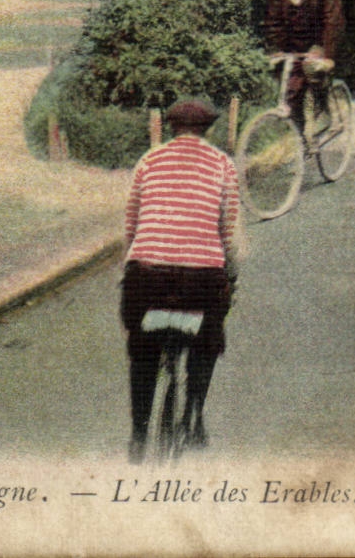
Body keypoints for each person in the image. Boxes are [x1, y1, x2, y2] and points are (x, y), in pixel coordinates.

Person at [120, 98, 246, 462]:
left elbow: (130, 226)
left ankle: (139, 435)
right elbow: (230, 234)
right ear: (208, 129)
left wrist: (131, 267)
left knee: (142, 351)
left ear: (171, 127)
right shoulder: (222, 164)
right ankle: (192, 417)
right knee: (206, 342)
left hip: (146, 277)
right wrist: (230, 276)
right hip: (201, 281)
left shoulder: (148, 161)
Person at [263, 0, 346, 124]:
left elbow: (333, 20)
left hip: (320, 42)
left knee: (313, 73)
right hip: (293, 46)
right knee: (290, 90)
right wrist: (276, 50)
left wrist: (327, 55)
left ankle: (325, 109)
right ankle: (300, 131)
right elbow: (273, 22)